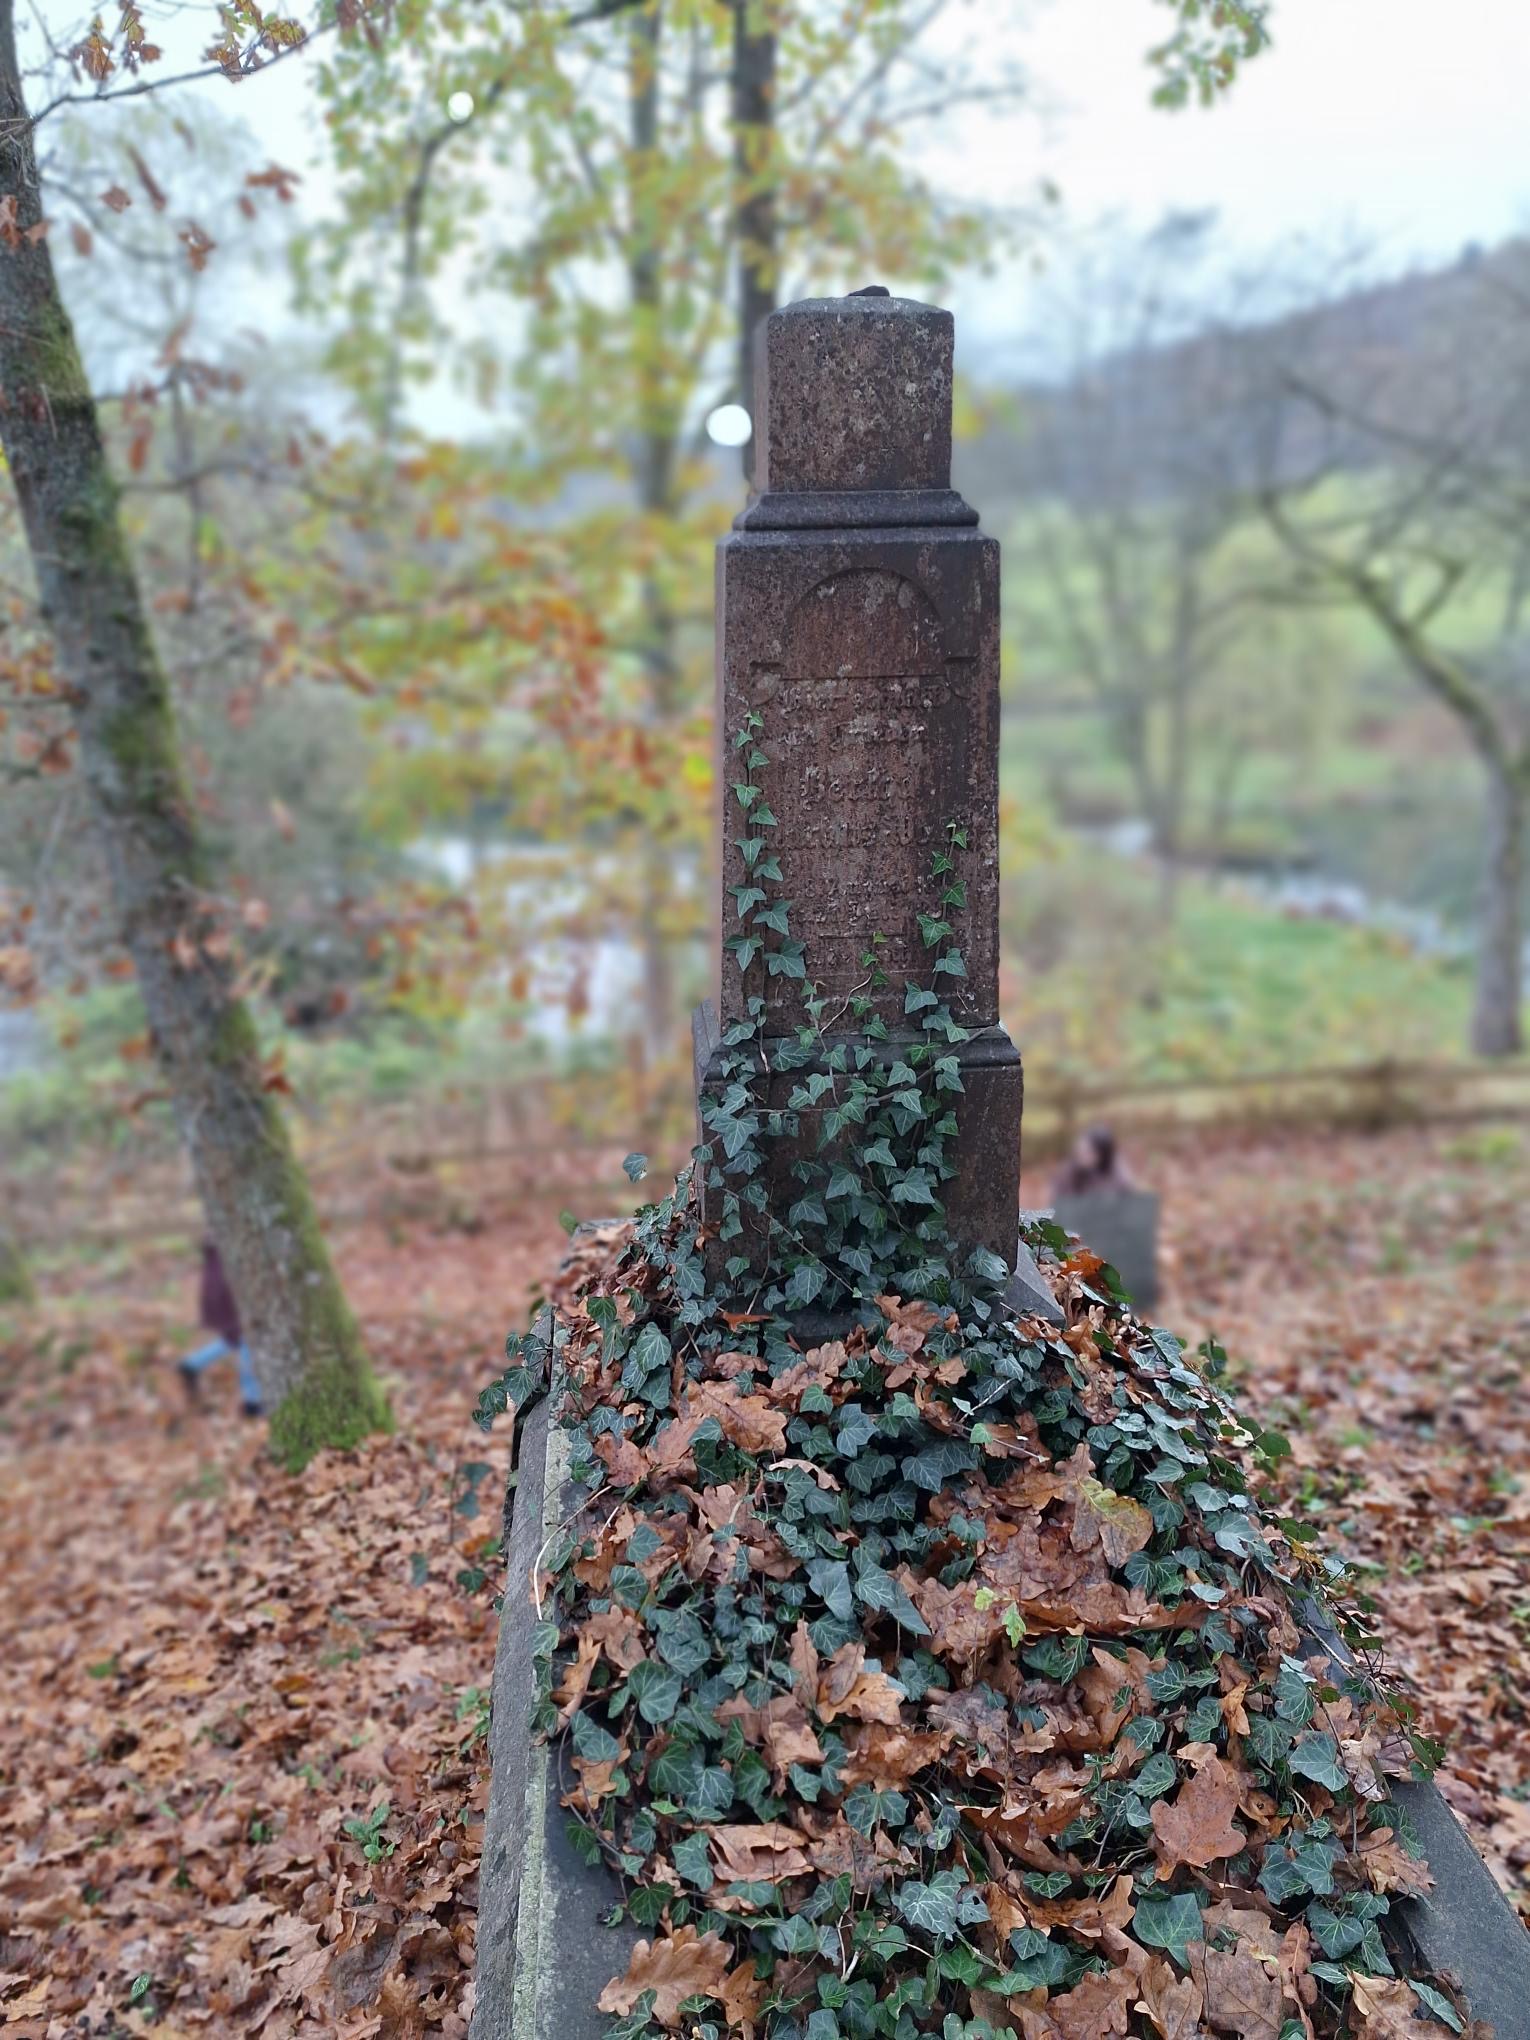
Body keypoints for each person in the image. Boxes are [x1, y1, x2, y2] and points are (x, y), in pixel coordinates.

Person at [179, 1237, 262, 1414]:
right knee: (246, 1339)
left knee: (236, 1339)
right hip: (229, 1296)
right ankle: (252, 1401)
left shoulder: (218, 1245)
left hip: (224, 1294)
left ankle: (192, 1364)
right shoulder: (228, 1240)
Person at [1051, 1123, 1136, 1199]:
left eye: (1088, 1153)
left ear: (1101, 1157)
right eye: (1081, 1150)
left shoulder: (1117, 1174)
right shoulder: (1068, 1173)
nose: (1082, 1155)